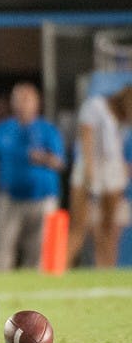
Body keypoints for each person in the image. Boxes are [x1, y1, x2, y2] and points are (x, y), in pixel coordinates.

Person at [0, 83, 65, 271]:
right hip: (11, 196)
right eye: (19, 99)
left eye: (27, 99)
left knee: (39, 249)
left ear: (36, 102)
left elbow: (60, 162)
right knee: (1, 246)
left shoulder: (47, 129)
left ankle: (36, 288)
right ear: (12, 103)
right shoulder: (3, 129)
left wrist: (43, 158)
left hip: (43, 196)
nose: (23, 104)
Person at [67, 85, 132, 268]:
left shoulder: (122, 121)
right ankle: (61, 267)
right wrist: (89, 170)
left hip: (112, 172)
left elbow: (115, 149)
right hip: (89, 168)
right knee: (78, 227)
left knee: (109, 228)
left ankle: (106, 269)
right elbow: (86, 136)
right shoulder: (95, 105)